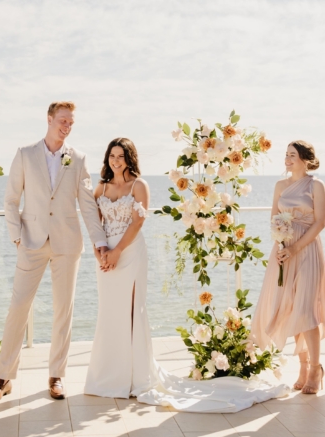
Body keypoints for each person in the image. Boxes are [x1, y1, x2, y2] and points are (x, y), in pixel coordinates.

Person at [84, 137, 288, 413]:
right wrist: (101, 252)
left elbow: (137, 222)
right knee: (109, 312)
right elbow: (94, 222)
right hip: (107, 254)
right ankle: (109, 376)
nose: (116, 160)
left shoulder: (139, 185)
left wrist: (118, 250)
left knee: (132, 312)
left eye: (121, 156)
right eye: (112, 155)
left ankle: (134, 377)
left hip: (129, 252)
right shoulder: (102, 187)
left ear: (129, 158)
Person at [0, 101, 108, 402]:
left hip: (67, 243)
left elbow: (87, 204)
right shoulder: (25, 154)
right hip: (31, 242)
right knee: (18, 307)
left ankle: (56, 375)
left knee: (63, 310)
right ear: (50, 119)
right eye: (62, 120)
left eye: (71, 122)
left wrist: (100, 241)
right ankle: (4, 376)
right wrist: (17, 238)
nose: (66, 126)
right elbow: (11, 200)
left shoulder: (77, 158)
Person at [252, 140, 325, 394]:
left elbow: (319, 223)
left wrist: (295, 247)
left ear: (305, 159)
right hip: (283, 252)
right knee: (292, 307)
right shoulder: (280, 186)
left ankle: (316, 368)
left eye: (292, 155)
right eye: (286, 155)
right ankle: (303, 366)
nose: (287, 159)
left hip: (307, 251)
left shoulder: (316, 185)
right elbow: (274, 218)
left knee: (307, 310)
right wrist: (281, 244)